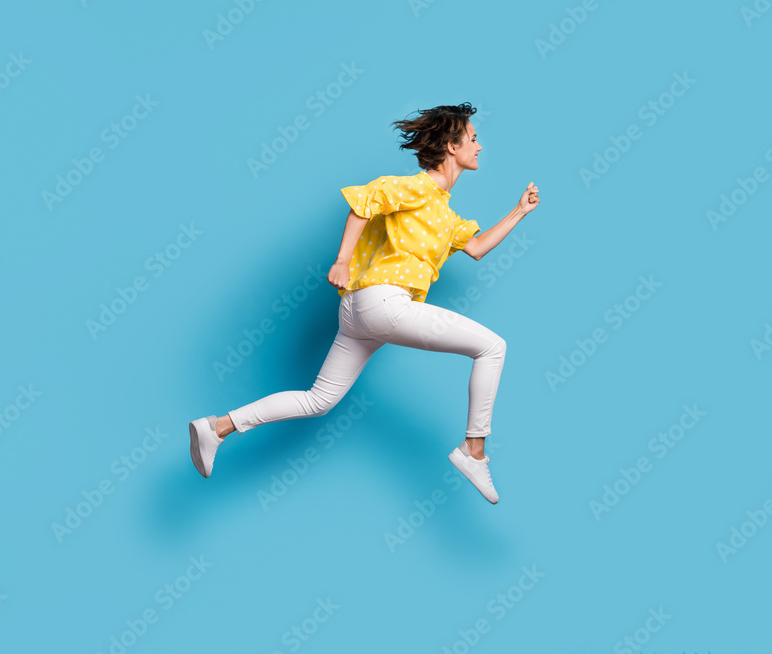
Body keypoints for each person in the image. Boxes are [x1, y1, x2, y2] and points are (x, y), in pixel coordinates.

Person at [190, 102, 539, 503]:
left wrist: (518, 212)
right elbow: (364, 202)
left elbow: (476, 247)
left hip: (359, 312)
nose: (479, 146)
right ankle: (473, 451)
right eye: (473, 139)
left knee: (318, 400)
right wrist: (341, 261)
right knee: (493, 347)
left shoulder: (443, 211)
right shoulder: (418, 186)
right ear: (450, 146)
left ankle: (216, 427)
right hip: (383, 303)